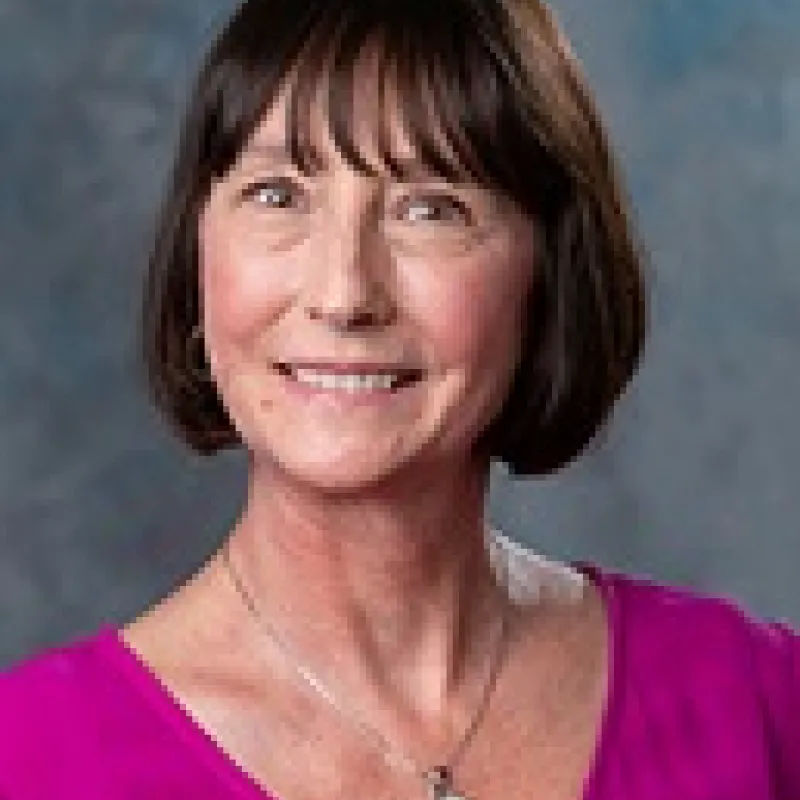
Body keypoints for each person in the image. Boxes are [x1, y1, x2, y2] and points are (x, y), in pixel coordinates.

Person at [1, 1, 798, 798]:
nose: (344, 294)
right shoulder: (29, 757)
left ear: (547, 274)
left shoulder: (763, 705)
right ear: (197, 249)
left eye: (430, 210)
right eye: (279, 195)